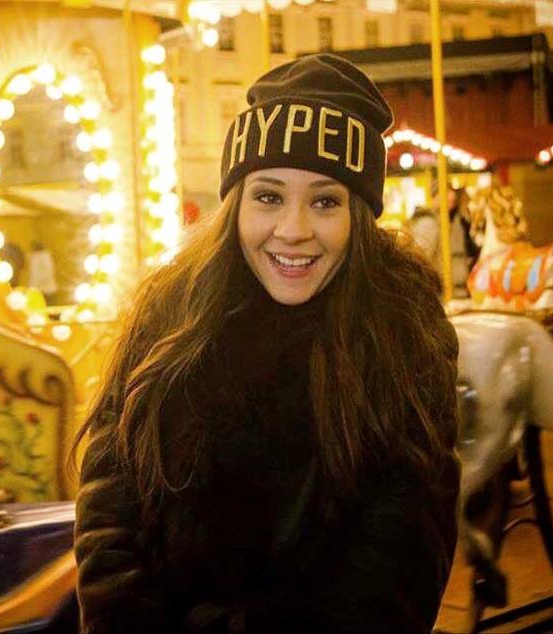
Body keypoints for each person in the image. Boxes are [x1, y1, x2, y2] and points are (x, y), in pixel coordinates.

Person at [72, 54, 460, 633]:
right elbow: (110, 504)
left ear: (357, 214)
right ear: (237, 202)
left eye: (325, 201)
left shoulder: (401, 333)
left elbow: (399, 554)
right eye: (269, 197)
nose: (293, 230)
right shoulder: (171, 310)